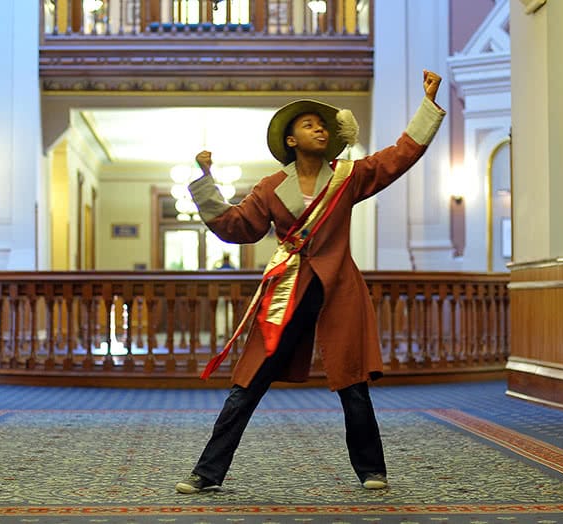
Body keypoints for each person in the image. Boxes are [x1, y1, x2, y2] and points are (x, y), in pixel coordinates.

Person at [176, 70, 445, 493]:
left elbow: (397, 157)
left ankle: (372, 470)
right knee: (248, 383)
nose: (319, 128)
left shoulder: (348, 175)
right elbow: (236, 226)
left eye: (322, 124)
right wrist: (205, 181)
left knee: (352, 382)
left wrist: (427, 106)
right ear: (290, 140)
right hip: (287, 290)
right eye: (308, 124)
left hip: (339, 288)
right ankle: (206, 472)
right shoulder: (270, 188)